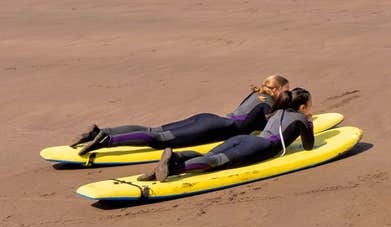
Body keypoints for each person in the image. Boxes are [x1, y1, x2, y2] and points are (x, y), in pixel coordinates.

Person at [71, 75, 290, 156]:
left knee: (154, 130)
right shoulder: (268, 104)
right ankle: (107, 140)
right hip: (213, 127)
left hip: (207, 118)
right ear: (278, 90)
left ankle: (99, 132)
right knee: (158, 140)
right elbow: (259, 128)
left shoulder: (256, 93)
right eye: (286, 90)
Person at [140, 87, 314, 182]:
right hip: (260, 146)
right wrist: (309, 121)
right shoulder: (301, 119)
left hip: (246, 139)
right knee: (216, 162)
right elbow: (308, 146)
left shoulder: (276, 112)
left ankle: (176, 156)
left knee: (210, 156)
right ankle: (171, 169)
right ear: (303, 106)